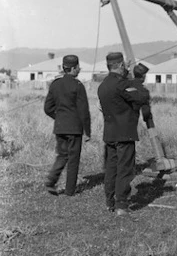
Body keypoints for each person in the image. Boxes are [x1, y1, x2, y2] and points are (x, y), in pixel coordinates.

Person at [98, 52, 151, 216]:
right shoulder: (121, 84)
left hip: (110, 133)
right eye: (124, 66)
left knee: (111, 168)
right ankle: (122, 204)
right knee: (125, 169)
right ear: (121, 65)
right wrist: (133, 79)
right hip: (124, 133)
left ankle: (110, 201)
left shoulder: (103, 85)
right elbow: (142, 97)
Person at [43, 55, 91, 196]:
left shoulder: (55, 84)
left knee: (62, 155)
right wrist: (87, 131)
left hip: (60, 127)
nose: (79, 69)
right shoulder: (78, 85)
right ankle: (70, 191)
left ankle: (51, 180)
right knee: (73, 159)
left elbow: (47, 108)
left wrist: (59, 118)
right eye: (78, 67)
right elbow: (84, 111)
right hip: (75, 129)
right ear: (74, 68)